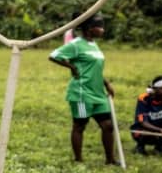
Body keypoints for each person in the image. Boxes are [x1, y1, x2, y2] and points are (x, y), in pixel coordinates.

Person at [49, 15, 118, 164]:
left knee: (108, 126)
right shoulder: (75, 44)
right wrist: (72, 67)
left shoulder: (94, 44)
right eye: (100, 27)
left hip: (98, 93)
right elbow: (54, 56)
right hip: (82, 94)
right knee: (80, 125)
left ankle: (110, 159)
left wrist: (106, 84)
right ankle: (78, 160)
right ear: (89, 29)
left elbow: (95, 68)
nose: (103, 30)